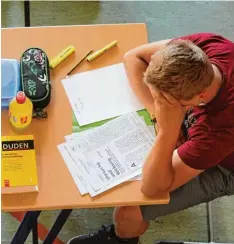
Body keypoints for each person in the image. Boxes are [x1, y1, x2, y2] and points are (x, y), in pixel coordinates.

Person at [67, 33, 234, 244]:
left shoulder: (217, 130)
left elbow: (152, 187)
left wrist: (167, 131)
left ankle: (121, 240)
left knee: (127, 213)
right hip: (201, 138)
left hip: (226, 167)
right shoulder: (206, 50)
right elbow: (133, 57)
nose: (161, 103)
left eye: (168, 103)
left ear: (198, 98)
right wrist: (156, 113)